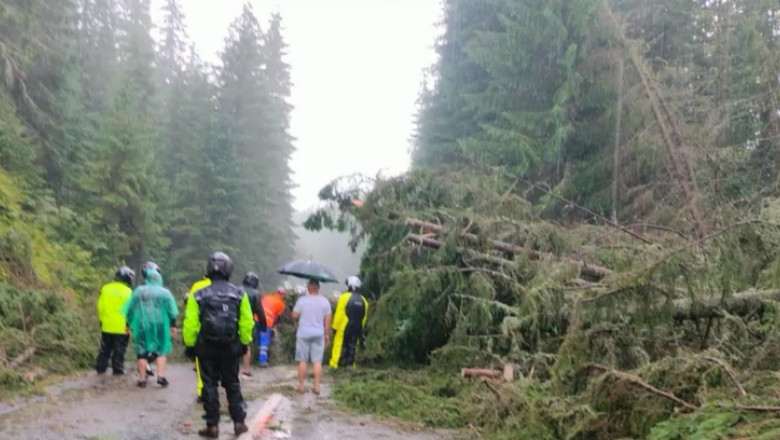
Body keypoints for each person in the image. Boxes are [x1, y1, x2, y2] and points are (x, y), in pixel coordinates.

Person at [183, 252, 254, 438]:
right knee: (232, 383)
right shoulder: (240, 294)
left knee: (209, 385)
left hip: (206, 347)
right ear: (229, 270)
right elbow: (246, 323)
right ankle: (239, 422)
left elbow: (190, 323)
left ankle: (212, 425)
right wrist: (244, 343)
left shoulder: (197, 295)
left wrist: (190, 345)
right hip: (231, 347)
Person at [122, 262, 179, 388]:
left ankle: (142, 379)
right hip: (160, 324)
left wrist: (128, 324)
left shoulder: (139, 291)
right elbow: (171, 311)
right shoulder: (165, 293)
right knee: (161, 350)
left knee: (141, 351)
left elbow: (130, 309)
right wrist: (172, 325)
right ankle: (161, 376)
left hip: (142, 324)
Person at [291, 279, 332, 395]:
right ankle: (317, 386)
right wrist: (326, 334)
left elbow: (294, 315)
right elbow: (328, 319)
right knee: (317, 361)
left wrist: (298, 310)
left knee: (302, 360)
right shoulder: (325, 301)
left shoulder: (302, 300)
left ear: (308, 288)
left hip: (303, 333)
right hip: (318, 334)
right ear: (318, 288)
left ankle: (301, 386)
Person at [95, 266, 135, 375]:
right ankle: (117, 368)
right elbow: (130, 310)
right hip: (122, 326)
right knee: (119, 349)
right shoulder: (128, 292)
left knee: (105, 348)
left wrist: (101, 320)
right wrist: (130, 324)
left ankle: (100, 368)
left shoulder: (105, 288)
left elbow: (100, 306)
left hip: (106, 324)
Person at [330, 276, 369, 370]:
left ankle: (335, 365)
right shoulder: (364, 300)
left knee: (339, 346)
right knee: (353, 346)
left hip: (344, 327)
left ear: (350, 286)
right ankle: (351, 366)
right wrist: (361, 327)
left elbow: (339, 314)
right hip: (358, 327)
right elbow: (364, 317)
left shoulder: (344, 297)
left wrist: (334, 327)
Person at [188, 275, 211, 403]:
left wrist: (189, 341)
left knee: (202, 365)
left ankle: (203, 391)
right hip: (223, 333)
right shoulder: (228, 287)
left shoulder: (197, 286)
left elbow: (191, 311)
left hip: (201, 331)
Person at [241, 272, 267, 376]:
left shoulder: (236, 290)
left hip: (233, 321)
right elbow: (260, 311)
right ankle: (245, 370)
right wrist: (263, 326)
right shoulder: (256, 294)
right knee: (246, 346)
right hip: (247, 322)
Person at [258, 285, 287, 367]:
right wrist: (273, 325)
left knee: (259, 339)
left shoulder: (267, 297)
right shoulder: (281, 304)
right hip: (266, 322)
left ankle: (258, 357)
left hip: (257, 319)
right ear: (282, 295)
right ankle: (262, 361)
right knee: (264, 341)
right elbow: (277, 317)